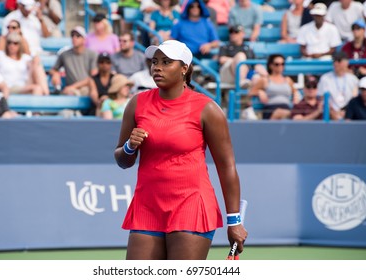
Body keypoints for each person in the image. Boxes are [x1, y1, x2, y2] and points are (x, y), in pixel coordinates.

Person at [114, 40, 247, 260]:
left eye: (166, 62)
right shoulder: (136, 104)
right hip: (147, 205)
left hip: (191, 205)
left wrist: (234, 221)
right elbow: (122, 160)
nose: (157, 67)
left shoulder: (207, 109)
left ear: (184, 68)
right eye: (155, 61)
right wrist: (129, 147)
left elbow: (226, 167)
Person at [49, 26, 98, 96]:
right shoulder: (64, 54)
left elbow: (94, 77)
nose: (74, 38)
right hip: (71, 89)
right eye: (72, 36)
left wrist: (74, 86)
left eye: (78, 36)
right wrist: (55, 74)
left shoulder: (92, 54)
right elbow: (53, 69)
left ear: (84, 39)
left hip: (86, 88)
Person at [249, 54, 300, 120]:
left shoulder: (288, 80)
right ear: (271, 65)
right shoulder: (265, 80)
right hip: (271, 109)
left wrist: (296, 94)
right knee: (279, 113)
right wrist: (259, 91)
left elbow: (295, 92)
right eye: (277, 64)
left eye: (282, 64)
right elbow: (251, 92)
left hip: (286, 107)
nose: (280, 66)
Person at [317, 51, 359, 120]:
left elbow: (355, 98)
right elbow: (322, 98)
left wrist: (346, 111)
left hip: (349, 114)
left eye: (339, 60)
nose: (335, 63)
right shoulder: (325, 78)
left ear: (346, 63)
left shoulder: (353, 79)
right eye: (334, 61)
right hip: (331, 114)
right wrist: (333, 112)